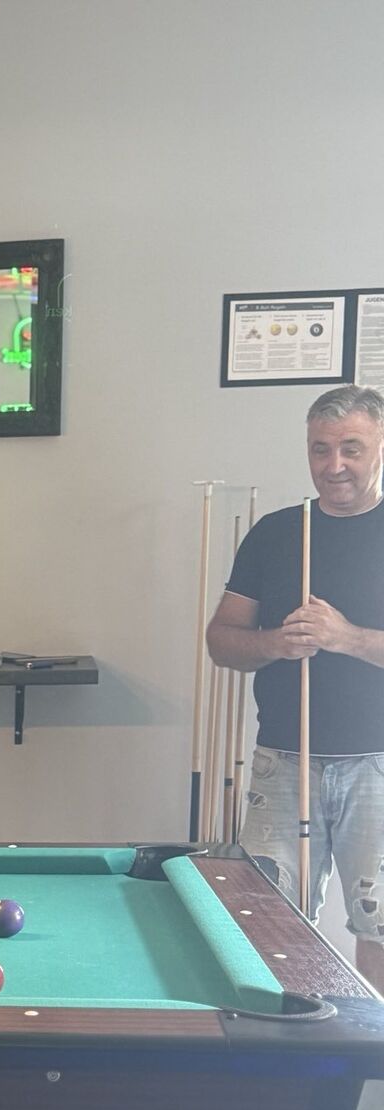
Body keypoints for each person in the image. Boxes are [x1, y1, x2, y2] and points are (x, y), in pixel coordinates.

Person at [206, 383, 384, 992]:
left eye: (351, 448)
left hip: (377, 765)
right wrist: (276, 644)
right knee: (269, 928)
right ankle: (288, 1046)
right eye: (320, 449)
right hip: (284, 762)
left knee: (380, 933)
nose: (334, 465)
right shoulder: (279, 532)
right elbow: (221, 641)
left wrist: (346, 637)